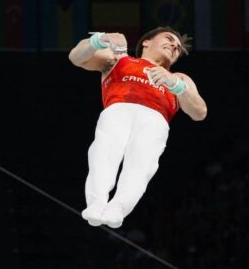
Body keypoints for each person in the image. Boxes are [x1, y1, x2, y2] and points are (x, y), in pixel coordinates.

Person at [69, 27, 208, 228]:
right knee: (104, 152)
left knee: (140, 166)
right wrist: (99, 40)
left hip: (155, 119)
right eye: (169, 39)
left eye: (177, 48)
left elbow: (200, 112)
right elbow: (76, 57)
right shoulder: (118, 59)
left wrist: (176, 85)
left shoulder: (180, 79)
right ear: (146, 42)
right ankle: (96, 202)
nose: (173, 46)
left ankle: (119, 207)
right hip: (118, 109)